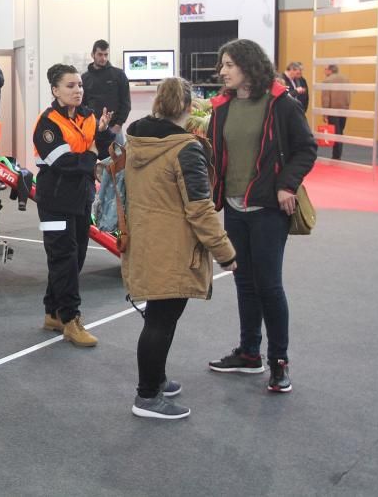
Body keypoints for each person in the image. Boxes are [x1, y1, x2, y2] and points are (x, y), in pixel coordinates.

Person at [123, 77, 237, 420]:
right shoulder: (186, 148)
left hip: (146, 239)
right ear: (189, 108)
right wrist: (226, 253)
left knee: (159, 317)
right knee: (161, 320)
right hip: (173, 246)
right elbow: (200, 208)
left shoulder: (136, 139)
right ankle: (146, 396)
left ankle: (156, 379)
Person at [207, 39, 316, 393]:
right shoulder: (221, 107)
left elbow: (306, 148)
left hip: (269, 208)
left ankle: (278, 361)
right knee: (244, 282)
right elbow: (215, 152)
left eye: (228, 65)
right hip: (235, 209)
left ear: (248, 66)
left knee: (268, 285)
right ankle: (250, 352)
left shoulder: (281, 102)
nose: (222, 72)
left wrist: (287, 184)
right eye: (222, 65)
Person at [34, 64, 111, 347]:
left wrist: (101, 136)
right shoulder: (47, 124)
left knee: (75, 258)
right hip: (53, 202)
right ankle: (70, 320)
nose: (77, 90)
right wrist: (90, 157)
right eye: (70, 86)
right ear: (55, 90)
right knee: (63, 258)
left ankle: (52, 311)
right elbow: (64, 164)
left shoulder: (88, 115)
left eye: (79, 84)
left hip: (81, 198)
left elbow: (97, 150)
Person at [81, 39, 131, 159]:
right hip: (92, 129)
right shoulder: (84, 78)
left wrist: (118, 126)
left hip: (114, 129)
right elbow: (81, 105)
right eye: (99, 54)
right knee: (90, 164)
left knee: (117, 165)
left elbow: (126, 103)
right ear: (92, 55)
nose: (103, 58)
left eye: (106, 55)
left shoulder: (119, 75)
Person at [321, 64, 351, 160]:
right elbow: (349, 96)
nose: (324, 71)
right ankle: (338, 154)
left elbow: (326, 98)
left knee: (335, 133)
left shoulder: (327, 81)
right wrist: (347, 107)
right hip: (344, 109)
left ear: (330, 70)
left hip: (332, 110)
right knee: (340, 132)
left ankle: (336, 156)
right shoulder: (346, 79)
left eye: (325, 69)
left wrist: (325, 112)